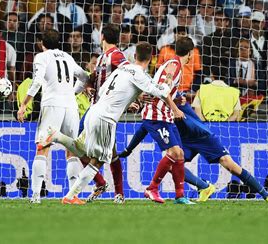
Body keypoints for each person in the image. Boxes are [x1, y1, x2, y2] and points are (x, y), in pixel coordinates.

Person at [40, 42, 172, 205]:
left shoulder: (123, 69)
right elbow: (158, 92)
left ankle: (58, 136)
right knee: (98, 160)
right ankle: (70, 196)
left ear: (134, 56)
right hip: (106, 119)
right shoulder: (140, 74)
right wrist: (167, 86)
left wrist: (126, 102)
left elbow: (103, 91)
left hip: (94, 110)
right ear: (151, 58)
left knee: (83, 150)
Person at [120, 97, 268, 203]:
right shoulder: (151, 110)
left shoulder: (170, 96)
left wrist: (181, 99)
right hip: (184, 141)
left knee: (229, 164)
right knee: (169, 163)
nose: (138, 101)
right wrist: (129, 149)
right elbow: (144, 128)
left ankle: (266, 195)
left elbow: (179, 98)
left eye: (139, 97)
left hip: (201, 135)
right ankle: (204, 186)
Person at [17, 29, 89, 204]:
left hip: (52, 105)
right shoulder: (67, 57)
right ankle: (72, 196)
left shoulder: (42, 57)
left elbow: (38, 81)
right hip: (71, 106)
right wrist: (73, 92)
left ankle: (35, 196)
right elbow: (84, 77)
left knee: (43, 147)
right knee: (71, 151)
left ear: (42, 43)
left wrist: (24, 104)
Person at [139, 37, 194, 204]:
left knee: (180, 154)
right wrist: (176, 109)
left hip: (164, 115)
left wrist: (177, 99)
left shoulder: (172, 63)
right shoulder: (175, 66)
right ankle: (152, 188)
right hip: (156, 115)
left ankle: (180, 196)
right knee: (173, 153)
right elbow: (163, 91)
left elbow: (164, 90)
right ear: (191, 54)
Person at [84, 24, 129, 204]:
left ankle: (116, 192)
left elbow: (129, 72)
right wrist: (89, 85)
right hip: (96, 109)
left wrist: (132, 98)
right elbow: (95, 76)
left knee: (109, 151)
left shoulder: (116, 55)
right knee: (82, 148)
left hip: (107, 110)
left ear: (102, 36)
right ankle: (103, 185)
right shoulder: (103, 57)